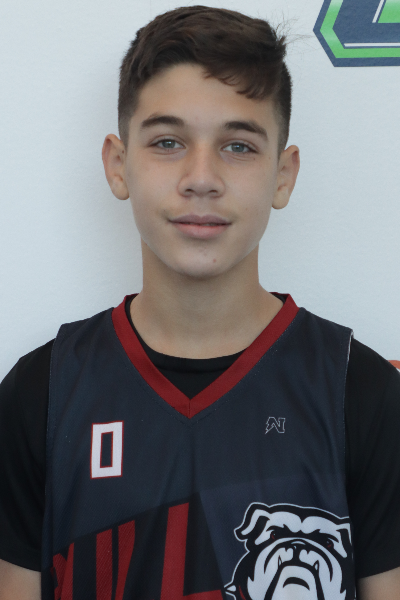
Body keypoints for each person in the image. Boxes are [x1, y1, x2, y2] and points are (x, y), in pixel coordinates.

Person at [0, 5, 399, 599]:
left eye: (238, 146)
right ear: (118, 165)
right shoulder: (42, 394)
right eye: (167, 142)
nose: (201, 176)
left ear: (284, 175)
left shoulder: (363, 394)